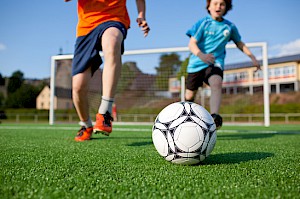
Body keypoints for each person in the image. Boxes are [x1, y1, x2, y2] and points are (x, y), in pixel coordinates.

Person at [64, 0, 150, 141]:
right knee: (78, 87)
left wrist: (141, 14)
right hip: (86, 27)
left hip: (114, 18)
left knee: (112, 42)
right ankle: (86, 125)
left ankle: (105, 112)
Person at [185, 0, 260, 129]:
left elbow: (239, 43)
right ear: (209, 6)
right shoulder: (203, 23)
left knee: (216, 82)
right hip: (196, 63)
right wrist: (202, 55)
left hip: (215, 62)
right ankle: (185, 118)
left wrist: (252, 57)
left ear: (226, 7)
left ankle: (214, 118)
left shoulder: (229, 27)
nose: (218, 6)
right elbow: (191, 44)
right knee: (189, 95)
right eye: (215, 3)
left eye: (222, 4)